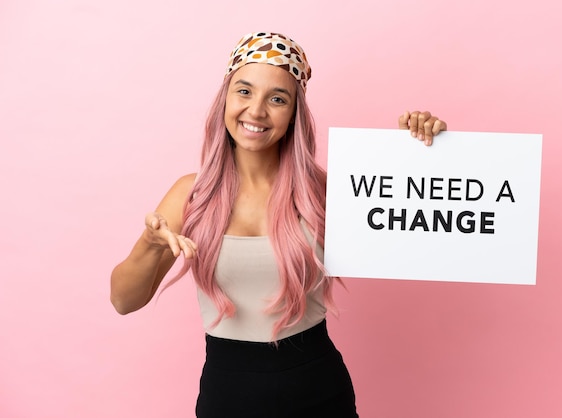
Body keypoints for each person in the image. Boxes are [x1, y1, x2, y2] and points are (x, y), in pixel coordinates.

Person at [110, 32, 447, 418]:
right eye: (244, 91)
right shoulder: (192, 194)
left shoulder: (325, 192)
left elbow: (411, 227)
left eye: (277, 98)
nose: (256, 111)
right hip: (227, 394)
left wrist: (423, 154)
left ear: (293, 115)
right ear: (225, 99)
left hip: (320, 390)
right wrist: (150, 245)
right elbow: (123, 301)